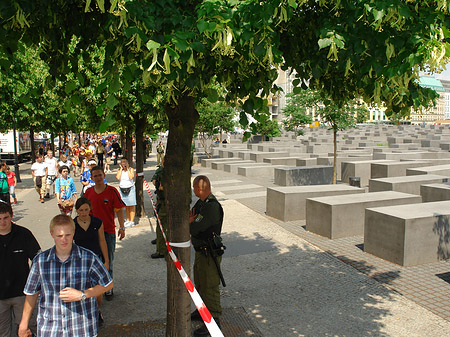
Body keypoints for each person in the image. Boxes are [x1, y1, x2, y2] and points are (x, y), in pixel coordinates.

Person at [18, 214, 113, 337]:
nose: (64, 240)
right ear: (52, 234)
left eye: (68, 235)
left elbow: (108, 284)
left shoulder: (89, 258)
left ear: (73, 232)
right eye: (59, 236)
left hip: (81, 328)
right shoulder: (40, 261)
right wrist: (23, 324)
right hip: (51, 329)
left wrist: (82, 294)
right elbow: (31, 294)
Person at [189, 175, 224, 336]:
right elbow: (191, 217)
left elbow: (195, 228)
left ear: (199, 188)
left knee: (210, 286)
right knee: (200, 283)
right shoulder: (201, 203)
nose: (193, 190)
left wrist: (191, 222)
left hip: (209, 253)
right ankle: (203, 311)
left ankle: (214, 321)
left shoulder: (211, 206)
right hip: (200, 252)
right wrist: (192, 221)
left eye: (194, 187)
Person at [84, 166, 125, 300]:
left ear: (104, 175)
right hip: (92, 233)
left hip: (108, 232)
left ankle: (108, 288)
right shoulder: (88, 192)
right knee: (94, 261)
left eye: (100, 175)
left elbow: (119, 210)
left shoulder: (112, 191)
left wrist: (122, 227)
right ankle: (96, 287)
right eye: (95, 176)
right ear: (91, 178)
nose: (98, 178)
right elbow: (84, 211)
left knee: (108, 261)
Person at [0, 202, 40, 337]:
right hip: (0, 296)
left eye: (5, 217)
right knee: (2, 332)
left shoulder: (24, 234)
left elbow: (38, 260)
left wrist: (37, 284)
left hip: (22, 293)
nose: (2, 222)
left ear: (11, 216)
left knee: (27, 329)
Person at [73, 197, 109, 327]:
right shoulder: (73, 224)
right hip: (79, 261)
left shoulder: (97, 222)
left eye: (86, 209)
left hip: (95, 259)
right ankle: (86, 313)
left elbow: (102, 241)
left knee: (97, 291)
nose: (84, 213)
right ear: (77, 211)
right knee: (84, 289)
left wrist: (106, 260)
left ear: (90, 209)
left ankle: (97, 310)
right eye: (81, 210)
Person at [150, 159, 166, 258]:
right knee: (160, 223)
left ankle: (161, 251)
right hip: (161, 200)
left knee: (162, 225)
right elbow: (154, 181)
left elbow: (160, 186)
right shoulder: (161, 170)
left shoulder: (164, 172)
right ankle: (160, 242)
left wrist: (159, 185)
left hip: (165, 202)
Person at [116, 158, 136, 228]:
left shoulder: (131, 169)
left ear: (127, 163)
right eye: (122, 162)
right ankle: (127, 220)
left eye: (124, 162)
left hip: (130, 188)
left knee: (131, 205)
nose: (123, 163)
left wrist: (127, 169)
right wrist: (121, 169)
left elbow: (131, 177)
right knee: (126, 205)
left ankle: (132, 221)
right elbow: (118, 178)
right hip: (122, 188)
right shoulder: (119, 170)